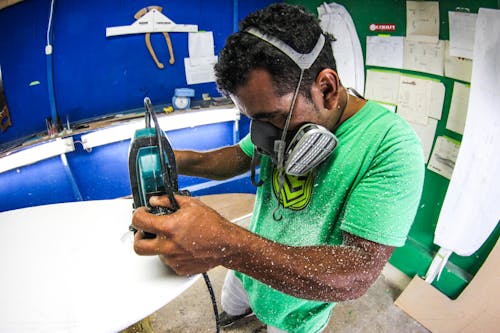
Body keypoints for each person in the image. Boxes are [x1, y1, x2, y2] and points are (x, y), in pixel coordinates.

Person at [132, 3, 424, 333]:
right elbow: (237, 157)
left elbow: (355, 273)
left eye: (271, 117)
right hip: (245, 271)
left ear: (326, 88)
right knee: (231, 311)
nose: (262, 135)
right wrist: (175, 160)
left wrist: (226, 243)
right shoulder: (276, 116)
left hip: (296, 310)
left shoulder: (390, 146)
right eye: (254, 119)